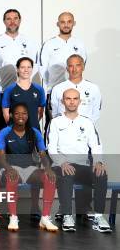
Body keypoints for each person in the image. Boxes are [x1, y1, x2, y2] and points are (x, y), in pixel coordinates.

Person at [47, 89, 111, 233]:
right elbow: (51, 147)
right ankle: (67, 216)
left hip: (82, 165)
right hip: (61, 165)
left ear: (79, 101)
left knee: (101, 173)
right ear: (63, 101)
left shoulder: (87, 122)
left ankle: (99, 216)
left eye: (75, 98)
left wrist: (98, 162)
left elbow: (96, 145)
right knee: (67, 173)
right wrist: (62, 162)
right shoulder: (56, 122)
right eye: (68, 98)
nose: (71, 101)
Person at [0, 103, 58, 232]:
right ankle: (13, 217)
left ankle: (45, 218)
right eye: (17, 113)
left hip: (29, 169)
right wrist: (9, 168)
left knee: (50, 177)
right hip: (10, 167)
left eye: (24, 113)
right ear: (12, 115)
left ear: (28, 116)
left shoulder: (34, 132)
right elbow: (1, 158)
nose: (21, 116)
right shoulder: (5, 132)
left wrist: (47, 167)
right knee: (11, 177)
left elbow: (42, 154)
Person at [0, 9, 39, 91]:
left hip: (27, 89)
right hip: (5, 89)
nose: (12, 22)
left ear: (20, 20)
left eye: (15, 18)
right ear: (4, 21)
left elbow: (35, 67)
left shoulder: (30, 42)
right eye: (9, 19)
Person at [39, 12, 87, 94]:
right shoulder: (49, 44)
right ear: (58, 24)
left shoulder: (79, 44)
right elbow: (42, 68)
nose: (66, 25)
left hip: (75, 92)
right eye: (62, 22)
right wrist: (52, 85)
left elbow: (82, 65)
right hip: (53, 91)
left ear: (74, 23)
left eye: (69, 22)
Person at [50, 54, 100, 124]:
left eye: (78, 65)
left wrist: (87, 128)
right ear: (67, 69)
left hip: (85, 131)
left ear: (83, 67)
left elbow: (96, 112)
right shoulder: (57, 89)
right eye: (71, 66)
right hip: (64, 130)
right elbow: (54, 112)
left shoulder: (93, 88)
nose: (74, 69)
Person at [2, 57, 46, 131]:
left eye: (29, 67)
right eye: (22, 67)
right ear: (17, 69)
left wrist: (32, 124)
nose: (26, 70)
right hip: (15, 132)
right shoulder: (9, 90)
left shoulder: (39, 89)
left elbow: (40, 113)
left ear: (32, 69)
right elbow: (6, 114)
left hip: (34, 131)